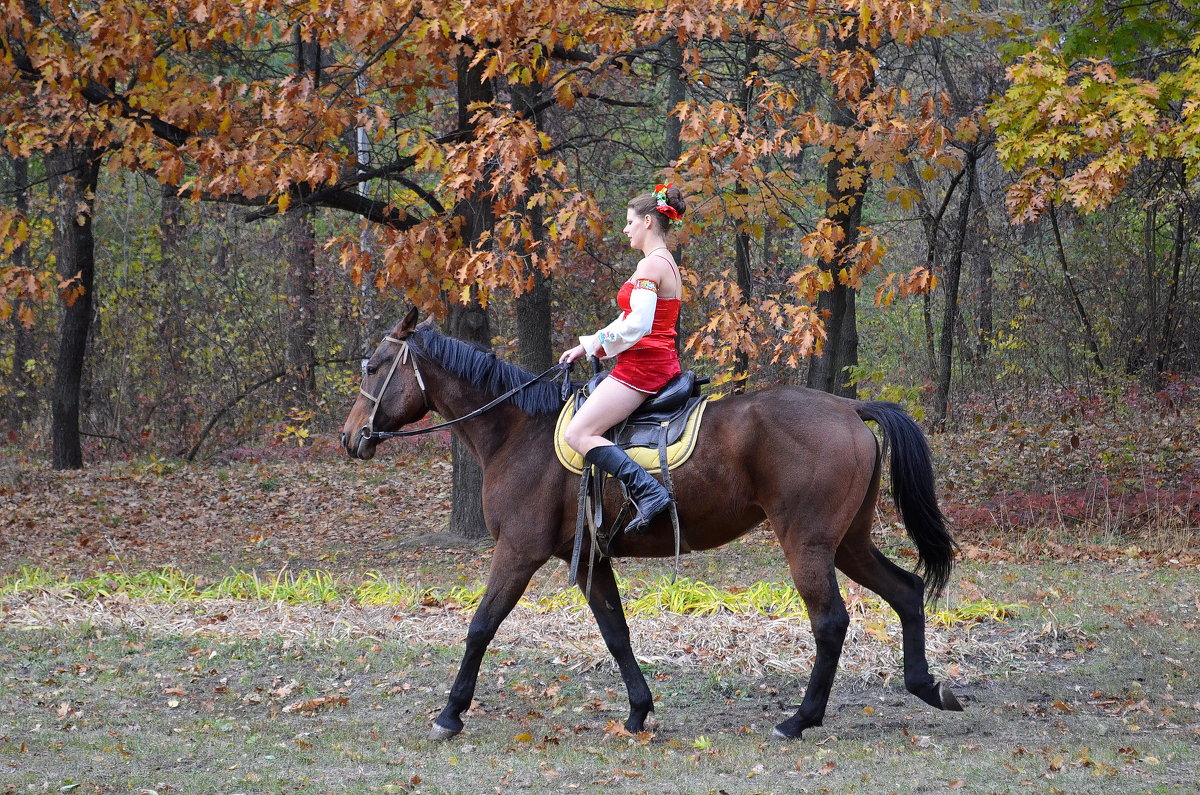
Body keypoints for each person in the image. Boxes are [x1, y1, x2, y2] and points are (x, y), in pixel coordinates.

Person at [560, 183, 687, 535]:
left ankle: (648, 491)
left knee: (579, 433)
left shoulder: (650, 268)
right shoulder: (662, 264)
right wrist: (587, 346)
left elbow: (638, 325)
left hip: (643, 367)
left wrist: (600, 345)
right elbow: (629, 319)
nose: (625, 229)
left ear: (648, 222)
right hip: (654, 360)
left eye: (630, 222)